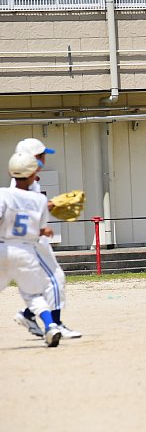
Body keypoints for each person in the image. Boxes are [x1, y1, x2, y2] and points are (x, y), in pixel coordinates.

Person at [10, 138, 81, 339]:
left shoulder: (30, 182)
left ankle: (28, 315)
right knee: (55, 278)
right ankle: (54, 324)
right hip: (30, 242)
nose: (44, 160)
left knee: (47, 283)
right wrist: (48, 206)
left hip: (32, 240)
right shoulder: (22, 184)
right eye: (41, 156)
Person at [0, 152, 62, 347]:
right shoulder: (40, 200)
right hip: (26, 252)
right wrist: (45, 230)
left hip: (3, 248)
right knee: (34, 295)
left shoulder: (3, 194)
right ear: (33, 174)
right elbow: (37, 229)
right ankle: (50, 326)